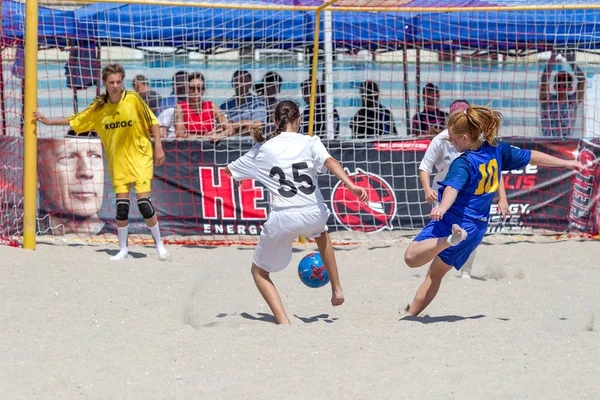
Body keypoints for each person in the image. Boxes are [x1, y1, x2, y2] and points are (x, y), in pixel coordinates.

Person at [404, 105, 585, 316]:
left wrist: (442, 208)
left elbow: (452, 188)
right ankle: (411, 315)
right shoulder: (496, 150)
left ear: (464, 138)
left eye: (452, 138)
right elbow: (532, 156)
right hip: (475, 228)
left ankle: (448, 241)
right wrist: (566, 162)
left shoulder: (463, 163)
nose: (450, 142)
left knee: (411, 258)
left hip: (453, 219)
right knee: (435, 275)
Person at [224, 100, 368, 325]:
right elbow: (330, 161)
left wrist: (239, 178)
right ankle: (337, 289)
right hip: (314, 213)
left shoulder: (262, 148)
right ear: (299, 120)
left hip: (284, 217)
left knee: (259, 273)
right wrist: (350, 184)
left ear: (275, 121)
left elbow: (229, 171)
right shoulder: (310, 141)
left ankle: (283, 321)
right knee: (322, 234)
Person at [33, 63, 169, 261]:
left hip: (141, 158)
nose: (115, 85)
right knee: (122, 206)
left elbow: (153, 123)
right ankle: (123, 249)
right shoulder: (99, 107)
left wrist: (158, 148)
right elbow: (76, 119)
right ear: (105, 83)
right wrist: (48, 122)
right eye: (111, 82)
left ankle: (159, 244)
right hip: (118, 162)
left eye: (118, 82)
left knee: (144, 204)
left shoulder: (133, 99)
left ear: (122, 82)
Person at [418, 100, 510, 279]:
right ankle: (437, 269)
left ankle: (466, 272)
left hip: (469, 194)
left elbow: (495, 170)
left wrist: (503, 198)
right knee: (441, 233)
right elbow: (425, 167)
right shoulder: (441, 139)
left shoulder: (480, 140)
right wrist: (427, 189)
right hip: (443, 193)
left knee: (468, 232)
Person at [37, 131, 105, 236]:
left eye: (95, 156)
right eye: (68, 157)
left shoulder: (122, 238)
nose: (87, 172)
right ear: (37, 175)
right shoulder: (18, 235)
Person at [540, 51, 586, 137]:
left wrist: (569, 58)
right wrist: (553, 56)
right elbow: (544, 80)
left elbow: (582, 80)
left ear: (570, 88)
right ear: (554, 87)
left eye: (564, 86)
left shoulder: (572, 101)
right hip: (547, 143)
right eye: (559, 85)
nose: (561, 89)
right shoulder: (547, 100)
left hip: (566, 144)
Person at [174, 72, 231, 140]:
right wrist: (205, 137)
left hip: (209, 147)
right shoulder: (180, 107)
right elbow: (180, 134)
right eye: (192, 88)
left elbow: (230, 129)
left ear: (204, 90)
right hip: (189, 147)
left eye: (199, 88)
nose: (196, 91)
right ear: (187, 89)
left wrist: (220, 135)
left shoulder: (212, 107)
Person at [220, 70, 267, 136]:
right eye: (238, 82)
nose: (241, 85)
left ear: (250, 84)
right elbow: (221, 127)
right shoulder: (225, 106)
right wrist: (245, 123)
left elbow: (258, 126)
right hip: (227, 143)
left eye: (244, 82)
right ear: (232, 84)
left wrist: (233, 129)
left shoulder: (258, 103)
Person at [156, 71, 189, 138]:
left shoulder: (196, 103)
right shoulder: (165, 103)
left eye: (183, 84)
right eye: (178, 84)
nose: (181, 87)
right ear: (173, 85)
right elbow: (160, 130)